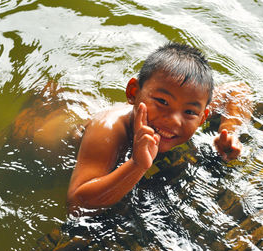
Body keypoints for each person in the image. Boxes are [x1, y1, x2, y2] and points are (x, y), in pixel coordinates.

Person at [67, 42, 251, 215]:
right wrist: (137, 165)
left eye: (189, 112)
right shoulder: (109, 130)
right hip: (59, 125)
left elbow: (239, 90)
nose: (173, 121)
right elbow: (78, 203)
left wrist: (230, 132)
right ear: (133, 92)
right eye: (162, 102)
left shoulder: (191, 106)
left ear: (202, 118)